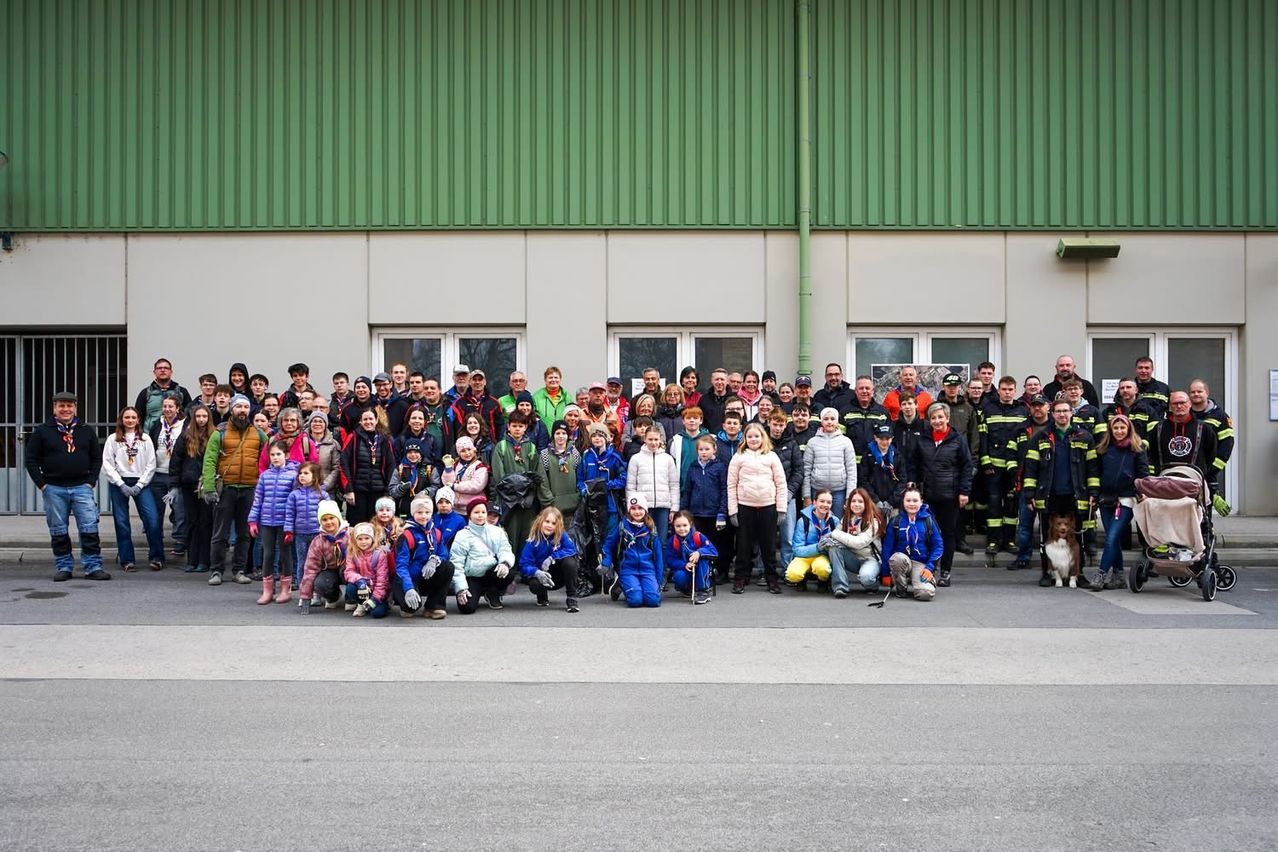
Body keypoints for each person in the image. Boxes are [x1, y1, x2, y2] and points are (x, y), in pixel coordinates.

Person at [26, 391, 108, 581]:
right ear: (54, 408)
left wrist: (91, 481)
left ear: (75, 407)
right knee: (58, 529)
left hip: (82, 487)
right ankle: (64, 567)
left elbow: (96, 458)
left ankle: (93, 566)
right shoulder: (42, 431)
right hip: (53, 488)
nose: (66, 409)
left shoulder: (86, 430)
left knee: (89, 527)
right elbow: (30, 460)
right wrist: (42, 485)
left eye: (69, 405)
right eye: (61, 406)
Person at [1021, 399, 1101, 588]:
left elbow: (1092, 468)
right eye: (1058, 411)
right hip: (1049, 495)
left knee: (1079, 538)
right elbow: (1031, 468)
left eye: (1066, 411)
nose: (1062, 414)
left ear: (1072, 413)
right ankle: (1047, 573)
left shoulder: (1085, 437)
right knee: (1046, 538)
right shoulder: (1041, 437)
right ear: (1052, 413)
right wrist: (1030, 493)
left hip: (1076, 495)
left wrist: (1094, 492)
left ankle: (1078, 574)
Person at [905, 402, 974, 587]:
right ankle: (929, 569)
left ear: (947, 418)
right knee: (927, 533)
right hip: (927, 495)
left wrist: (964, 491)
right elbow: (913, 463)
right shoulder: (922, 439)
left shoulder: (958, 439)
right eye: (933, 418)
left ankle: (946, 571)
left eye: (940, 417)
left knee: (947, 534)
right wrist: (911, 481)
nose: (937, 421)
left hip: (950, 495)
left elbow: (967, 467)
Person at [1089, 414, 1149, 591]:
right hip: (1106, 499)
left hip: (1126, 499)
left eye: (1123, 428)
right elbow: (1097, 474)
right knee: (1112, 540)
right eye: (1116, 428)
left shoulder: (1138, 449)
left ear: (1129, 429)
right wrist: (1095, 494)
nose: (1119, 431)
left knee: (1112, 538)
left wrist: (1140, 492)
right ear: (1110, 430)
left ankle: (1100, 574)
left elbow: (1143, 474)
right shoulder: (1103, 448)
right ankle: (1119, 576)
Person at [727, 422, 787, 595]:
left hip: (768, 506)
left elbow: (781, 483)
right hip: (745, 506)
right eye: (750, 436)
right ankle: (740, 578)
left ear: (763, 438)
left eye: (757, 436)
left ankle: (772, 579)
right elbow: (731, 484)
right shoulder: (738, 456)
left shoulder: (771, 456)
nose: (753, 439)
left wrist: (781, 508)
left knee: (768, 546)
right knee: (743, 546)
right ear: (745, 438)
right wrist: (733, 511)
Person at [103, 406, 165, 572]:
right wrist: (120, 483)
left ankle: (157, 557)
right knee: (122, 522)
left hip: (141, 482)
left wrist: (140, 484)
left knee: (152, 519)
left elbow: (151, 463)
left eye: (133, 417)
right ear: (121, 420)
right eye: (126, 417)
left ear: (138, 420)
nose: (130, 420)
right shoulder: (113, 439)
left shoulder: (145, 439)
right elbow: (108, 463)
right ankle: (127, 560)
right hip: (119, 483)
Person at [978, 376, 1029, 562]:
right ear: (998, 390)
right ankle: (993, 540)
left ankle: (1009, 540)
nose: (1007, 393)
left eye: (1010, 389)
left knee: (1011, 504)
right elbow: (982, 437)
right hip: (994, 466)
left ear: (1015, 391)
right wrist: (985, 461)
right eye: (1004, 389)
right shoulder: (988, 409)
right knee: (993, 503)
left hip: (1014, 467)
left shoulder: (1023, 410)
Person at [248, 440, 298, 604]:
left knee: (285, 554)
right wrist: (253, 521)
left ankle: (285, 589)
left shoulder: (293, 476)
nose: (275, 458)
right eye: (272, 455)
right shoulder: (265, 476)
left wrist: (291, 526)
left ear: (286, 455)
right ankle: (268, 590)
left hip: (284, 522)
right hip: (267, 521)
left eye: (278, 454)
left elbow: (293, 502)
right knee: (268, 554)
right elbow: (258, 500)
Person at [1148, 391, 1220, 503]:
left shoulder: (1204, 429)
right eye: (1175, 403)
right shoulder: (1158, 429)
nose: (1179, 406)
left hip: (1195, 483)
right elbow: (1151, 454)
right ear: (1170, 406)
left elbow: (1211, 455)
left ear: (1190, 404)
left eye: (1182, 402)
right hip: (1165, 484)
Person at [393, 495, 458, 619]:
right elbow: (401, 566)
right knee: (410, 609)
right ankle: (401, 597)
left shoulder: (436, 533)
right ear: (413, 513)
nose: (424, 516)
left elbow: (443, 553)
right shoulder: (406, 536)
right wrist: (408, 588)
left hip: (426, 574)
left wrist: (434, 560)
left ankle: (434, 606)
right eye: (419, 512)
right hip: (408, 578)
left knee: (447, 567)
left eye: (427, 512)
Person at [449, 498, 516, 612]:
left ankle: (493, 592)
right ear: (469, 515)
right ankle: (474, 593)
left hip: (492, 573)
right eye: (476, 512)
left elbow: (505, 550)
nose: (480, 515)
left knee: (508, 572)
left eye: (483, 512)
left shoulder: (497, 531)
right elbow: (456, 563)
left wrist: (505, 563)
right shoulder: (462, 535)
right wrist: (461, 588)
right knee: (466, 608)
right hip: (472, 576)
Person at [1009, 394, 1052, 571]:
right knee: (1025, 526)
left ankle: (1049, 559)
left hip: (1047, 485)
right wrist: (1014, 472)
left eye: (1040, 405)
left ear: (1048, 407)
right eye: (1034, 406)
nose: (1037, 408)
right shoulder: (1021, 429)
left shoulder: (1053, 429)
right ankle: (1023, 557)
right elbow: (1011, 452)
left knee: (1048, 526)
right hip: (1024, 484)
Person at [881, 486, 944, 602]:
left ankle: (925, 582)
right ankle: (901, 588)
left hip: (921, 562)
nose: (911, 504)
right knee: (897, 559)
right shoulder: (895, 521)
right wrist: (885, 573)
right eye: (908, 500)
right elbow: (887, 548)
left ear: (921, 502)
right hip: (901, 560)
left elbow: (938, 546)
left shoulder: (928, 520)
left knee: (925, 595)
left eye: (915, 500)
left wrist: (930, 568)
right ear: (903, 502)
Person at [601, 493, 663, 607]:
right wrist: (606, 562)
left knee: (653, 601)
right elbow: (608, 545)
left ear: (645, 510)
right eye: (633, 508)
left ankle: (628, 585)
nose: (637, 512)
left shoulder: (651, 529)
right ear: (629, 510)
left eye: (640, 508)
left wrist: (659, 580)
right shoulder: (622, 527)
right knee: (635, 601)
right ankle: (621, 582)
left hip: (648, 570)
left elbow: (658, 556)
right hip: (628, 569)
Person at [626, 423, 680, 552]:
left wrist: (674, 508)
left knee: (661, 541)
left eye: (656, 439)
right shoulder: (636, 459)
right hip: (643, 508)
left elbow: (674, 484)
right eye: (650, 439)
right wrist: (632, 507)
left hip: (663, 506)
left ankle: (661, 570)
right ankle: (646, 569)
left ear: (660, 439)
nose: (653, 442)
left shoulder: (668, 459)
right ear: (645, 439)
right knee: (643, 539)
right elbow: (631, 486)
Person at [490, 411, 540, 550]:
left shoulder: (531, 447)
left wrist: (526, 491)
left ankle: (524, 566)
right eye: (514, 426)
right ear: (508, 426)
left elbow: (535, 472)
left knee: (526, 533)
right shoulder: (501, 447)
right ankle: (511, 568)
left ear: (525, 427)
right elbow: (499, 475)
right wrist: (514, 490)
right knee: (510, 533)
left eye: (520, 426)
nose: (517, 429)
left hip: (526, 500)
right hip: (508, 499)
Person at [173, 404, 214, 573]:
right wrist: (174, 484)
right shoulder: (185, 436)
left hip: (206, 485)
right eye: (198, 416)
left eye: (204, 416)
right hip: (189, 484)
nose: (201, 419)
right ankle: (192, 560)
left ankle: (205, 560)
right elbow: (176, 461)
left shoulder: (214, 435)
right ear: (193, 418)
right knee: (192, 522)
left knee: (206, 522)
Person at [684, 434, 730, 583]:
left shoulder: (720, 467)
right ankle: (702, 572)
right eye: (701, 449)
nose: (704, 452)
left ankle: (720, 571)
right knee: (699, 544)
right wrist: (685, 512)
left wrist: (722, 512)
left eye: (707, 449)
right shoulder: (693, 467)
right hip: (697, 513)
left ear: (714, 449)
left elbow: (724, 490)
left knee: (717, 544)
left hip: (714, 513)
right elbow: (688, 490)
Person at [519, 506, 582, 612]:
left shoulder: (561, 534)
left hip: (558, 575)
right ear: (540, 521)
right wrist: (537, 572)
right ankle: (542, 594)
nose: (549, 525)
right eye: (547, 521)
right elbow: (523, 564)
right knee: (534, 585)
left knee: (570, 562)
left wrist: (552, 557)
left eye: (553, 523)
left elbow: (571, 549)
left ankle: (572, 598)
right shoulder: (532, 540)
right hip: (541, 576)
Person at [147, 394, 187, 557]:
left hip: (176, 475)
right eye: (165, 406)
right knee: (156, 511)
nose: (167, 409)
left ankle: (180, 541)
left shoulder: (185, 425)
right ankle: (157, 540)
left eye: (171, 406)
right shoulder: (158, 425)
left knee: (179, 510)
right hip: (158, 474)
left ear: (178, 408)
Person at [341, 407, 394, 524]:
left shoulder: (385, 439)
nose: (368, 422)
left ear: (376, 420)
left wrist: (387, 492)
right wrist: (348, 489)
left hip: (379, 492)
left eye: (371, 419)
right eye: (365, 419)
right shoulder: (353, 437)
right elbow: (343, 462)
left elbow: (391, 465)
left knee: (377, 526)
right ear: (360, 421)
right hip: (358, 492)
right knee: (357, 526)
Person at [801, 407, 857, 519]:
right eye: (826, 419)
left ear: (837, 421)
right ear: (821, 421)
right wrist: (806, 496)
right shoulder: (812, 442)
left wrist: (849, 496)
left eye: (832, 418)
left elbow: (851, 470)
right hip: (817, 491)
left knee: (837, 523)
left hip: (839, 492)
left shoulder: (846, 442)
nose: (829, 422)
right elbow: (806, 470)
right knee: (816, 523)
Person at [828, 488, 884, 596]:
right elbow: (835, 538)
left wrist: (833, 533)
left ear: (866, 503)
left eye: (860, 501)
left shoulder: (874, 520)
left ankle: (873, 584)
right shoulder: (846, 519)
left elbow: (859, 543)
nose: (856, 504)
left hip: (870, 559)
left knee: (866, 578)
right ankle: (840, 586)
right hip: (853, 558)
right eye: (853, 501)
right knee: (833, 546)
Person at [577, 422, 627, 544]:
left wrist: (607, 486)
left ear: (606, 437)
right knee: (593, 538)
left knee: (609, 538)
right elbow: (580, 479)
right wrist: (584, 490)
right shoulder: (586, 456)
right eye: (594, 436)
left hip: (610, 505)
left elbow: (624, 478)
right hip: (591, 505)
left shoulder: (615, 456)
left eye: (600, 435)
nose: (597, 438)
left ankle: (608, 561)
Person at [297, 500, 350, 612]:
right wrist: (305, 598)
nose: (329, 522)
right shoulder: (318, 541)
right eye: (324, 520)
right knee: (320, 583)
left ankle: (352, 599)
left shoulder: (351, 535)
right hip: (330, 571)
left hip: (349, 569)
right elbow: (310, 569)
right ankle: (333, 597)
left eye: (332, 518)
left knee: (349, 573)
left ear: (338, 518)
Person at [767, 410, 802, 566]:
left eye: (781, 425)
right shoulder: (762, 442)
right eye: (775, 424)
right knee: (767, 535)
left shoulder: (792, 443)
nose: (778, 428)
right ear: (769, 423)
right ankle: (765, 569)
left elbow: (799, 470)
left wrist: (789, 491)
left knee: (788, 536)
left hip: (788, 496)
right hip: (766, 496)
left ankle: (788, 568)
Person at [785, 488, 838, 592]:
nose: (825, 505)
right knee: (792, 575)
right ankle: (802, 579)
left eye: (829, 502)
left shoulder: (834, 521)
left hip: (822, 556)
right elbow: (796, 549)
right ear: (814, 502)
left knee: (823, 569)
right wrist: (817, 547)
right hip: (803, 556)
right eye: (822, 501)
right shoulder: (803, 521)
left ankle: (823, 581)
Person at [285, 462, 326, 591]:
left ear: (315, 476)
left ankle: (317, 592)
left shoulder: (322, 495)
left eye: (306, 473)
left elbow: (328, 514)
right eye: (300, 473)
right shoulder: (294, 495)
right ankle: (304, 591)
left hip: (318, 535)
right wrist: (288, 531)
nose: (302, 476)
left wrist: (327, 531)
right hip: (300, 535)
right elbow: (290, 514)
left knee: (318, 563)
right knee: (302, 563)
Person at [1188, 379, 1235, 482]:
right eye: (1193, 392)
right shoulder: (1185, 415)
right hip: (1187, 470)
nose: (1196, 394)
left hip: (1209, 472)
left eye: (1199, 391)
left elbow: (1227, 444)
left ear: (1207, 393)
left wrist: (1213, 470)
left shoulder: (1220, 416)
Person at [341, 523, 390, 618]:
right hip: (362, 587)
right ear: (355, 540)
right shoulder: (352, 552)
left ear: (372, 539)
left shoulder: (380, 554)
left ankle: (383, 603)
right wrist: (360, 580)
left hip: (377, 590)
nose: (363, 542)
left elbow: (382, 580)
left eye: (367, 538)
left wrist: (375, 598)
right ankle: (361, 604)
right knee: (350, 588)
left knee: (377, 613)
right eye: (360, 539)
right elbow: (349, 571)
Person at [134, 357, 192, 432]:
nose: (162, 370)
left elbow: (189, 415)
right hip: (150, 435)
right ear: (154, 372)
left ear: (171, 372)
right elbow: (138, 417)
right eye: (159, 368)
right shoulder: (145, 393)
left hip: (177, 436)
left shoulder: (182, 392)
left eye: (166, 368)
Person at [537, 421, 581, 515]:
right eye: (557, 433)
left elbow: (580, 475)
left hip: (573, 503)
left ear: (568, 435)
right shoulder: (545, 454)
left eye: (564, 433)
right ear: (553, 435)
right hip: (553, 505)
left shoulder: (575, 453)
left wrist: (578, 495)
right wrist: (549, 500)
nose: (561, 436)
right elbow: (542, 480)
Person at [858, 423, 906, 510]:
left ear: (892, 439)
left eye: (887, 439)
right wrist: (875, 500)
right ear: (875, 438)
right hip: (873, 502)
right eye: (881, 438)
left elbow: (902, 481)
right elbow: (863, 479)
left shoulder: (897, 456)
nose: (884, 442)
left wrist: (891, 501)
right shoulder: (868, 455)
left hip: (893, 504)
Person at [841, 375, 890, 460]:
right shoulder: (845, 413)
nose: (864, 391)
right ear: (855, 391)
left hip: (876, 463)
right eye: (861, 388)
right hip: (853, 464)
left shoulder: (882, 413)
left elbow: (889, 440)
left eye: (867, 388)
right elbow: (839, 440)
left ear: (872, 391)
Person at [388, 438, 440, 517]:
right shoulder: (400, 469)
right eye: (410, 452)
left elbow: (436, 486)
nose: (413, 455)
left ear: (421, 453)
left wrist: (426, 492)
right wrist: (401, 488)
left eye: (416, 452)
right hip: (405, 508)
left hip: (424, 509)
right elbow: (392, 491)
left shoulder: (429, 468)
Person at [440, 436, 490, 514]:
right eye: (463, 451)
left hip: (473, 507)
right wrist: (448, 468)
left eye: (469, 449)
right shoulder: (455, 464)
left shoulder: (479, 466)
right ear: (459, 453)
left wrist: (455, 486)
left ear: (474, 450)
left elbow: (476, 486)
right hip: (455, 507)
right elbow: (447, 483)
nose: (467, 453)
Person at [300, 411, 342, 500]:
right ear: (310, 424)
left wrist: (325, 486)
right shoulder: (302, 441)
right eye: (314, 421)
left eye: (320, 421)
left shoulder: (333, 444)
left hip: (326, 491)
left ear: (325, 424)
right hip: (304, 490)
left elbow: (336, 467)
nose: (317, 424)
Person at [1133, 357, 1171, 423]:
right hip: (1133, 430)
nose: (1143, 371)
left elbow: (1171, 412)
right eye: (1140, 368)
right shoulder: (1127, 388)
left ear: (1152, 370)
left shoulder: (1163, 389)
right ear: (1136, 369)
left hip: (1156, 430)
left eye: (1147, 368)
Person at [892, 392, 927, 460]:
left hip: (918, 468)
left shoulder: (925, 425)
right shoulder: (894, 426)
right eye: (904, 404)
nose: (907, 407)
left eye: (910, 403)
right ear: (900, 407)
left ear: (916, 405)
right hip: (899, 468)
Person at [698, 369, 733, 435]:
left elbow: (742, 420)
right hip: (708, 439)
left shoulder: (735, 400)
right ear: (712, 381)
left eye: (722, 379)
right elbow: (699, 420)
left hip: (730, 439)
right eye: (717, 379)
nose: (719, 382)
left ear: (727, 381)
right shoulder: (704, 400)